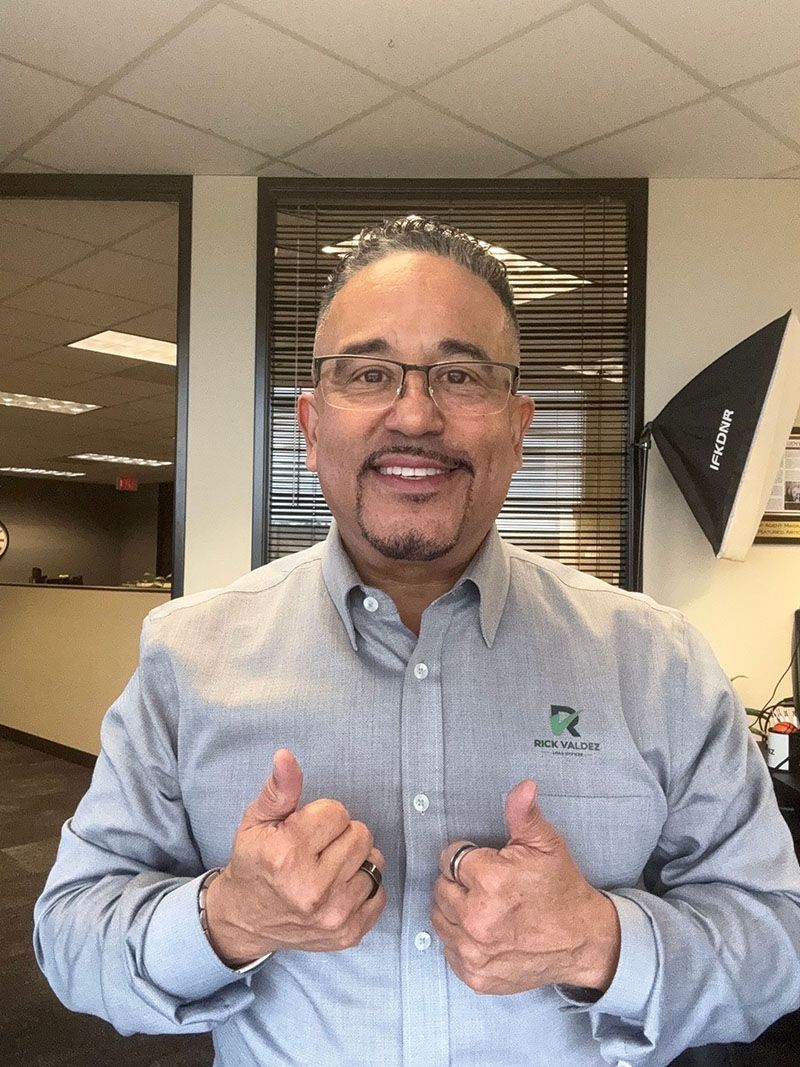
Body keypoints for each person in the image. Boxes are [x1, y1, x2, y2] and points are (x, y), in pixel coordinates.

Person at [35, 216, 800, 1067]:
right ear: (312, 425)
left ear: (518, 426)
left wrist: (600, 941)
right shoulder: (187, 654)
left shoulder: (656, 661)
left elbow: (779, 937)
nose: (413, 413)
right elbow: (70, 933)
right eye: (368, 373)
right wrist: (226, 916)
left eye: (460, 375)